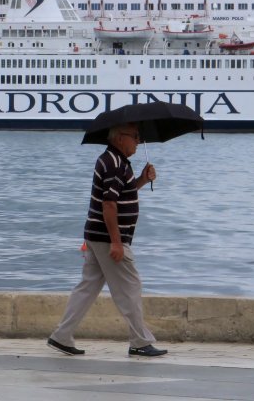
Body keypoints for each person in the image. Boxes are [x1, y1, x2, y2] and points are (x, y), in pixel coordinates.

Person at [47, 123, 168, 358]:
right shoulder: (114, 163)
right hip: (107, 238)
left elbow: (124, 192)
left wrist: (142, 179)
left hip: (95, 235)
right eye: (135, 136)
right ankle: (140, 342)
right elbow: (109, 204)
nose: (138, 141)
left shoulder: (114, 160)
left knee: (87, 287)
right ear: (119, 138)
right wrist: (116, 242)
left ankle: (61, 336)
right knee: (130, 287)